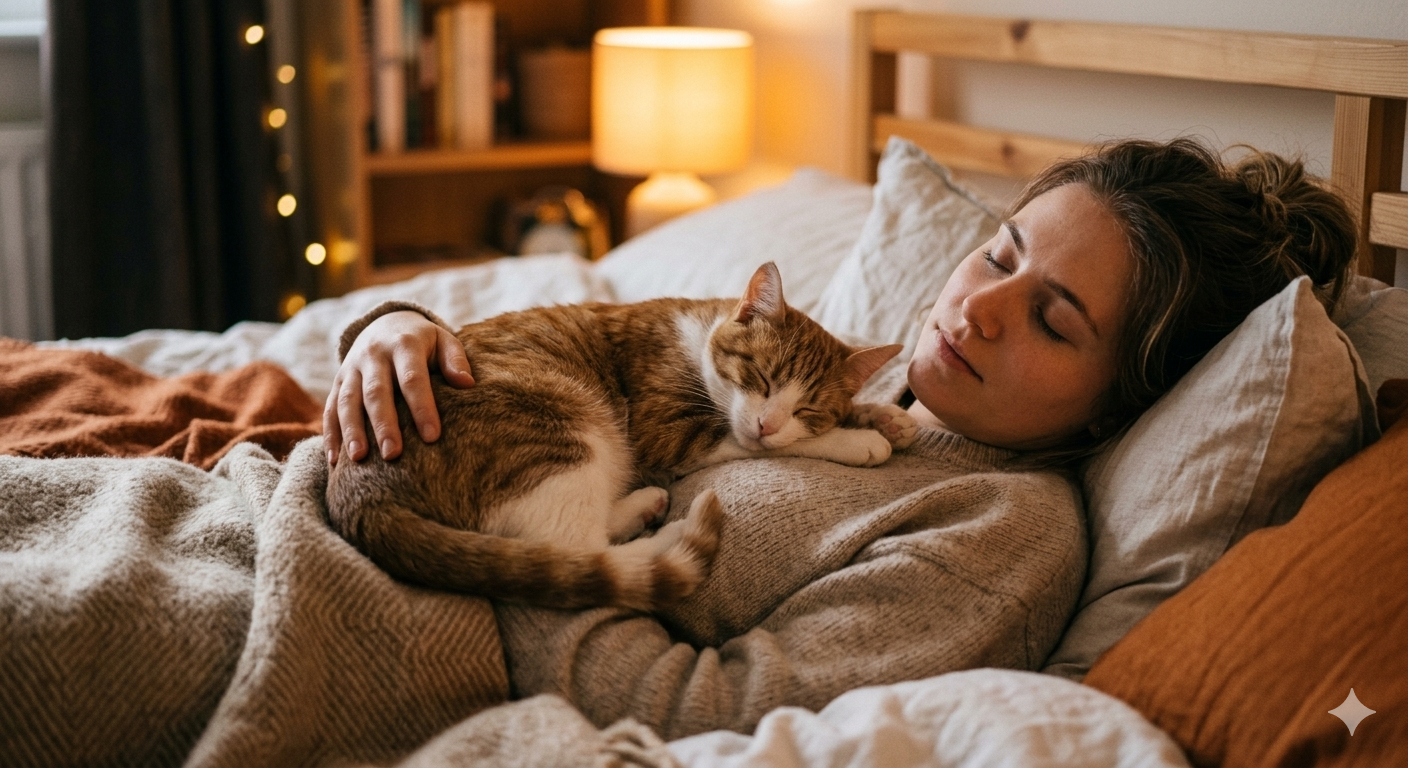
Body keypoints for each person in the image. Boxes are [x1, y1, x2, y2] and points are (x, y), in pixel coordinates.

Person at [322, 138, 1356, 739]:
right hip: (346, 488)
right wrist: (399, 332)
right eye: (997, 252)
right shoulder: (860, 378)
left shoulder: (1000, 535)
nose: (979, 307)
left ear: (1113, 410)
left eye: (1052, 319)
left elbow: (694, 709)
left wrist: (543, 576)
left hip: (401, 604)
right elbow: (614, 350)